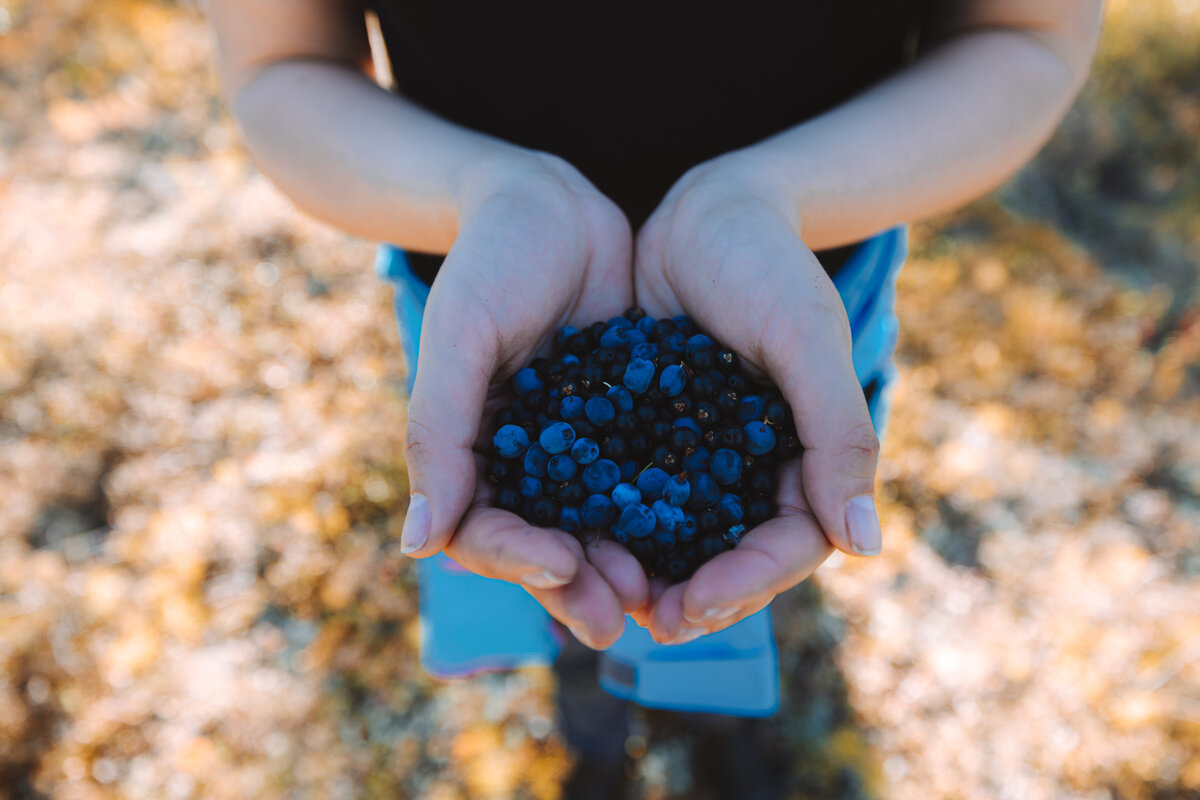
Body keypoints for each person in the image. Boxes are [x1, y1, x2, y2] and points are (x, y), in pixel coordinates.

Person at [210, 0, 1101, 791]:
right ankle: (591, 734)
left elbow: (1025, 32)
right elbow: (280, 63)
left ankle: (720, 730)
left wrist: (772, 196)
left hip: (796, 309)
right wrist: (487, 191)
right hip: (491, 318)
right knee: (550, 571)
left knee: (746, 563)